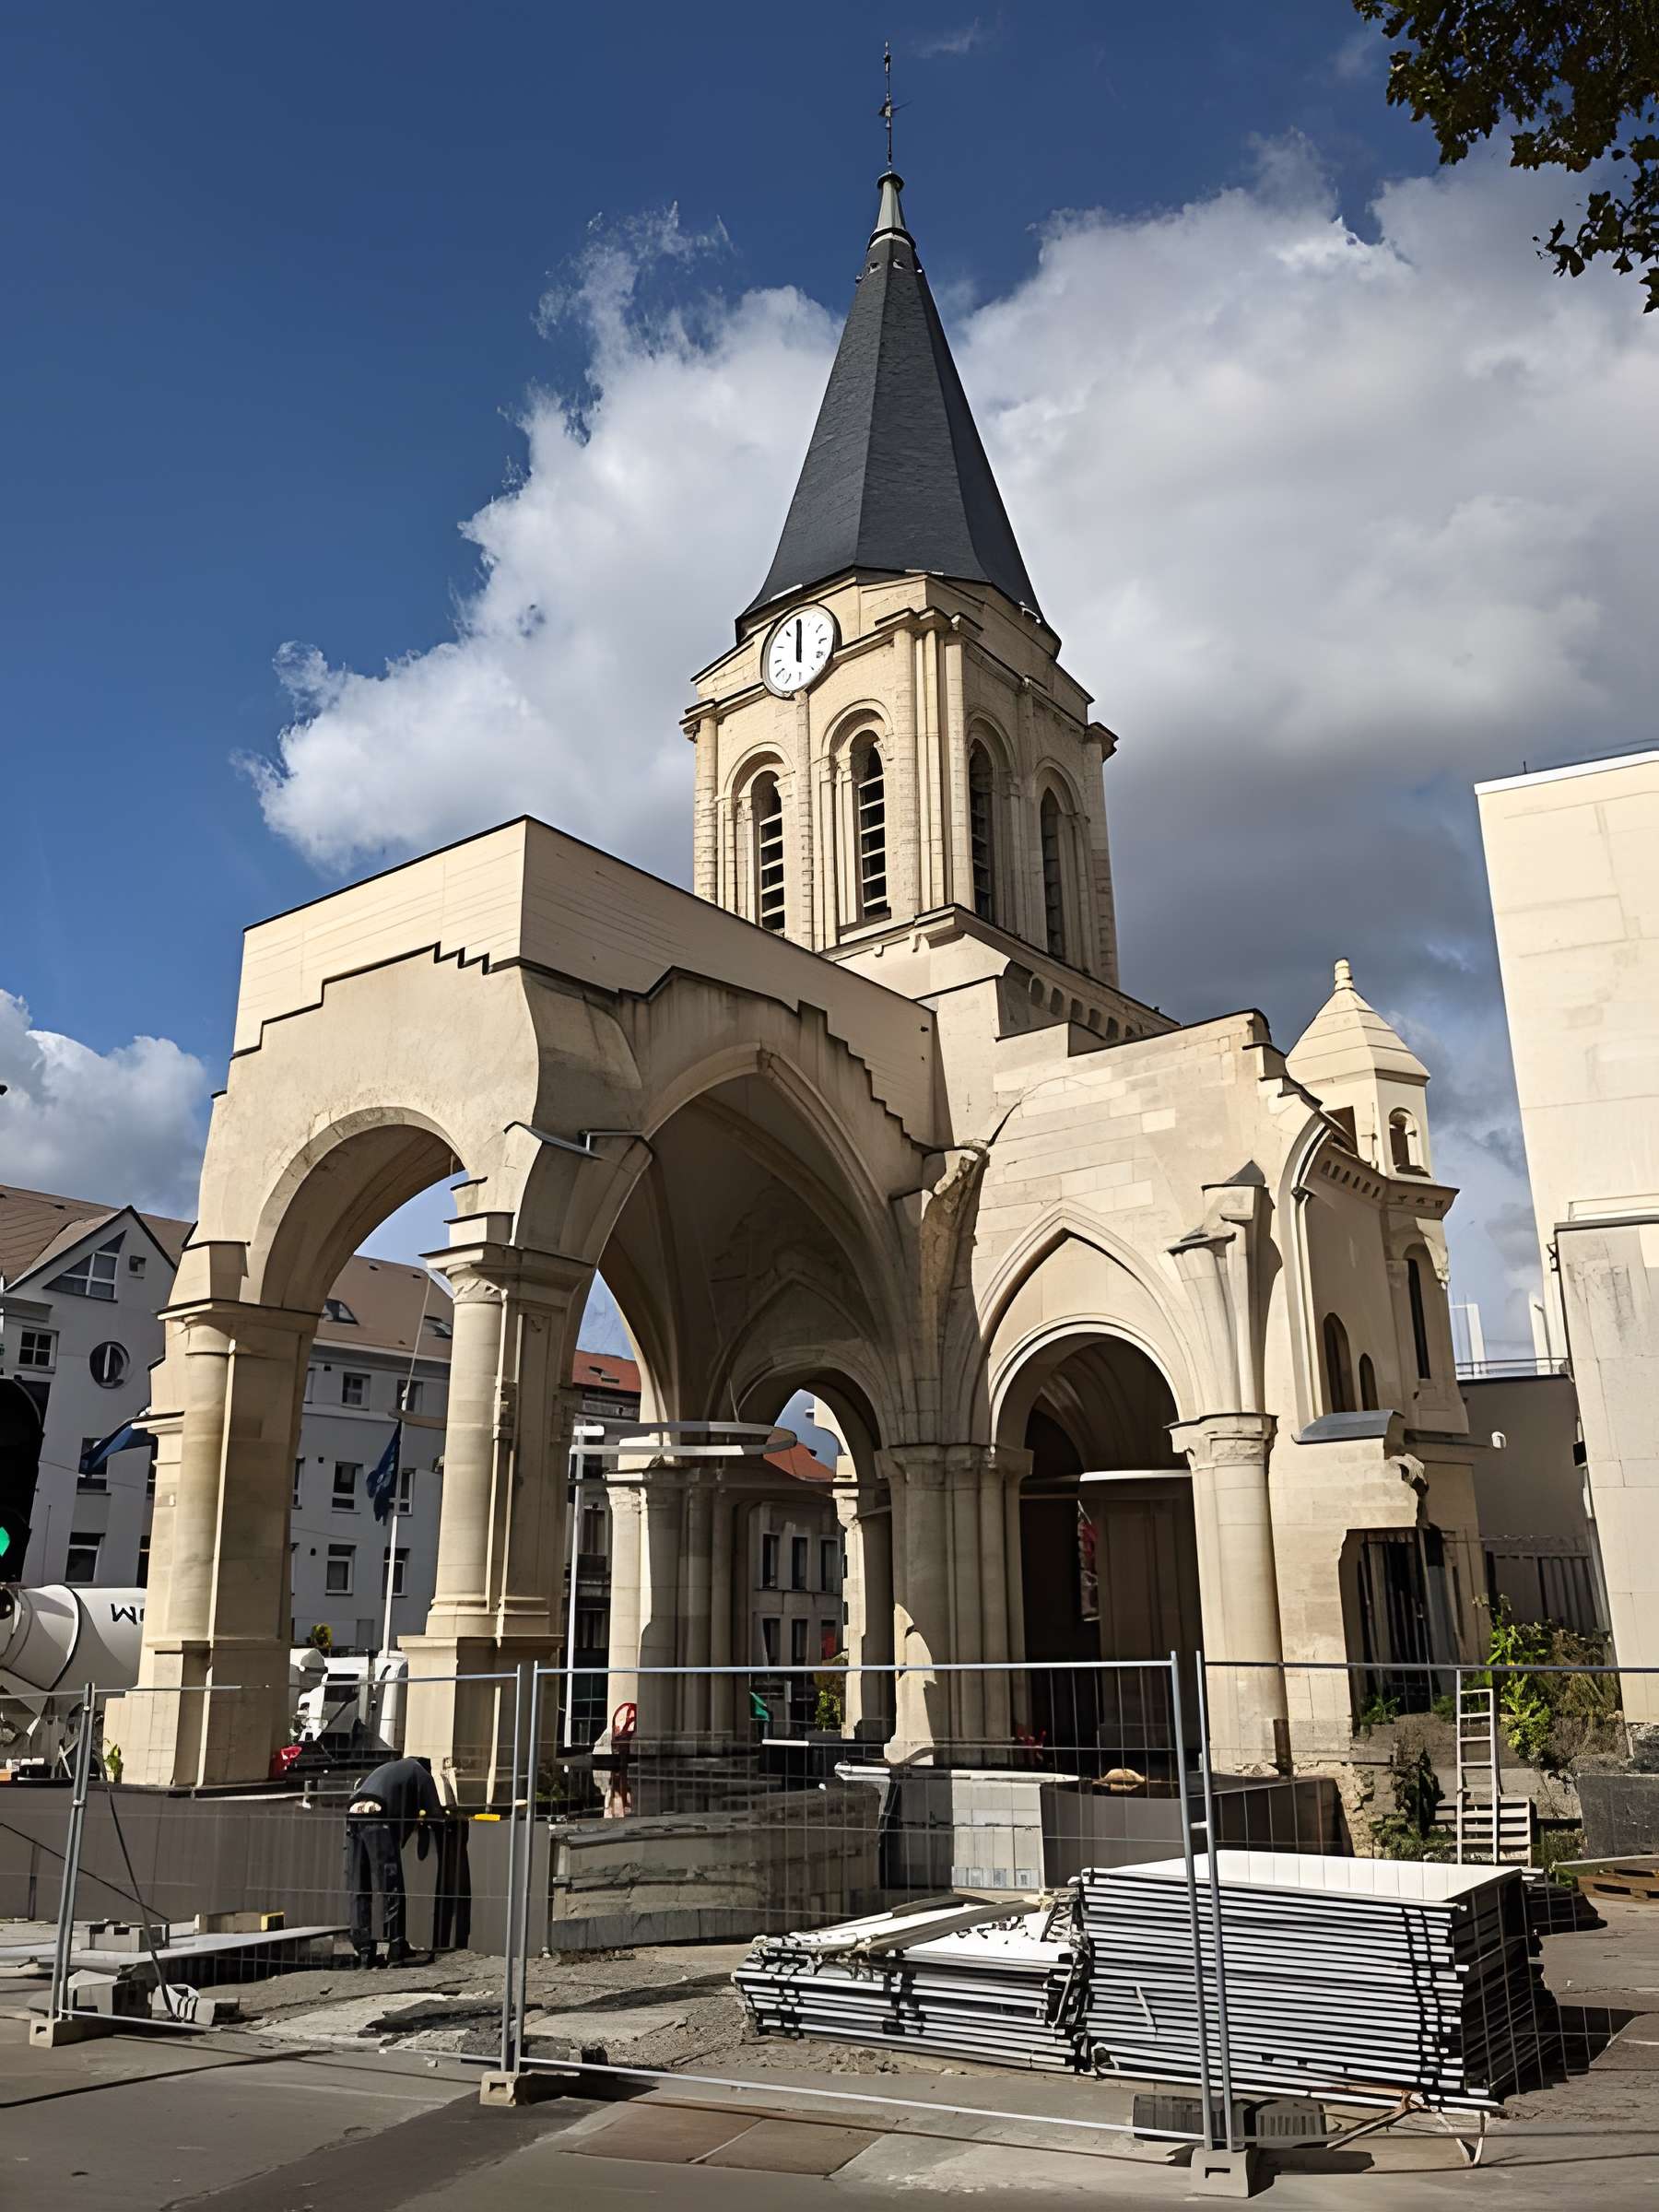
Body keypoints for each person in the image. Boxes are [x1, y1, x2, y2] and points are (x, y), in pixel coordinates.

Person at [344, 1753, 447, 1967]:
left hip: (354, 1814)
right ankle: (396, 1949)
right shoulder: (420, 1772)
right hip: (378, 1817)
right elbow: (436, 1814)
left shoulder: (389, 1768)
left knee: (359, 1887)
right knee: (391, 1887)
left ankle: (364, 1952)